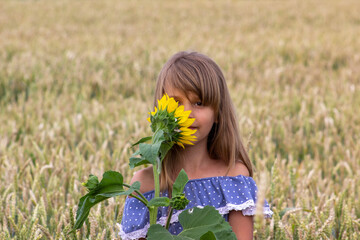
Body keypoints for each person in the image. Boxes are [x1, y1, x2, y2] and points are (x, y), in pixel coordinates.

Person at [119, 51, 272, 240]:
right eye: (176, 103)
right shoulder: (145, 184)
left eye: (198, 102)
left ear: (218, 113)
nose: (187, 113)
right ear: (160, 110)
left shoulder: (232, 177)